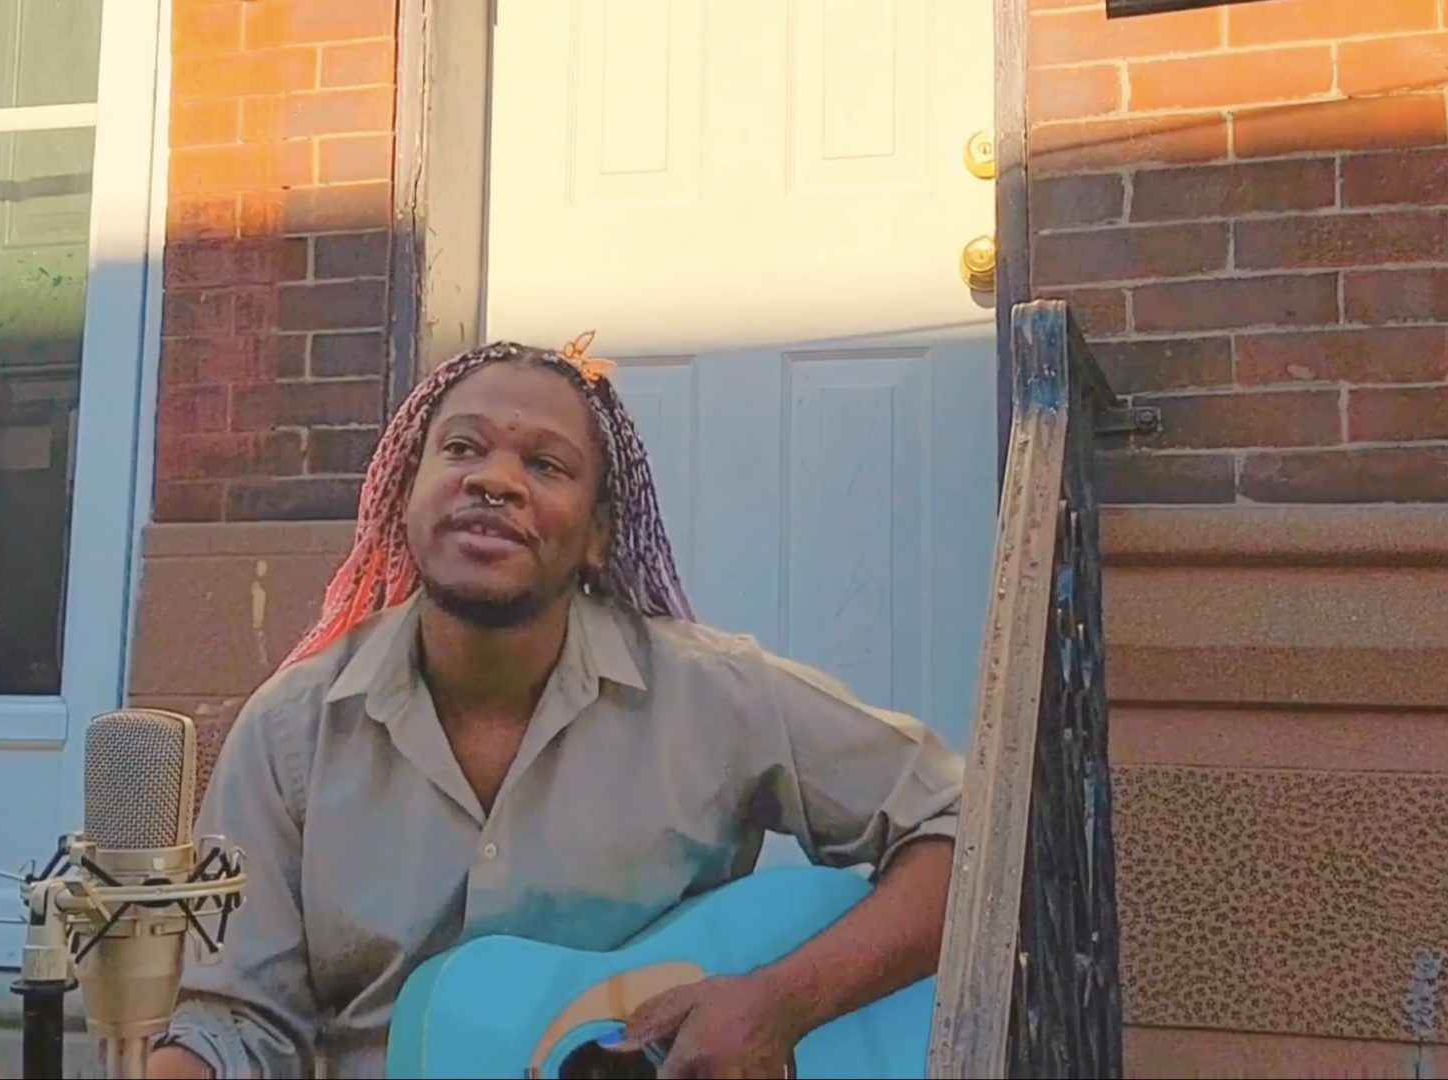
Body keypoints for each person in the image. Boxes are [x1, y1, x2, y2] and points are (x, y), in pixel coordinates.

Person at [148, 338, 965, 1079]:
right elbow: (235, 1022)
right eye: (462, 448)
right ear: (408, 495)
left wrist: (783, 1001)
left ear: (599, 534)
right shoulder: (290, 733)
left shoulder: (714, 696)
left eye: (546, 465)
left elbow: (968, 830)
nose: (495, 481)